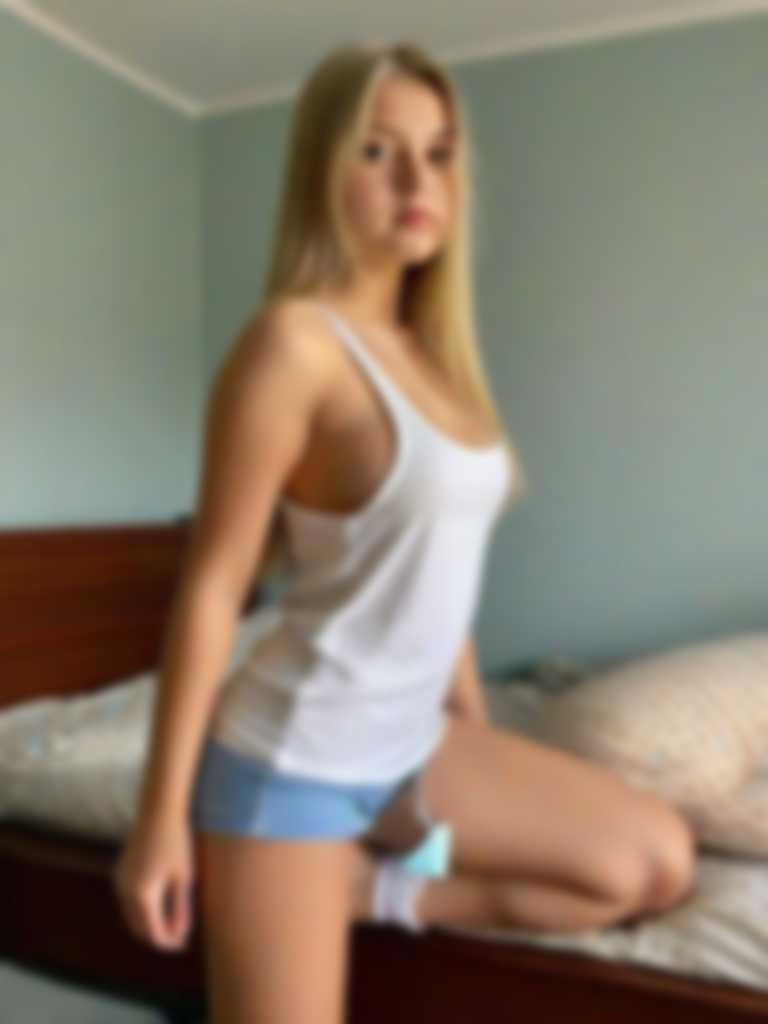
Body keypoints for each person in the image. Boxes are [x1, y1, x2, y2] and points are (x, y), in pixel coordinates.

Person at [112, 39, 697, 1024]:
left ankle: (366, 891)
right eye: (379, 151)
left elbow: (436, 573)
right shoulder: (293, 344)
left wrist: (472, 723)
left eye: (439, 153)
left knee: (654, 862)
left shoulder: (436, 359)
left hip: (412, 742)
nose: (417, 182)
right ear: (324, 169)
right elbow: (213, 589)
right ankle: (306, 873)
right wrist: (157, 819)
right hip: (292, 761)